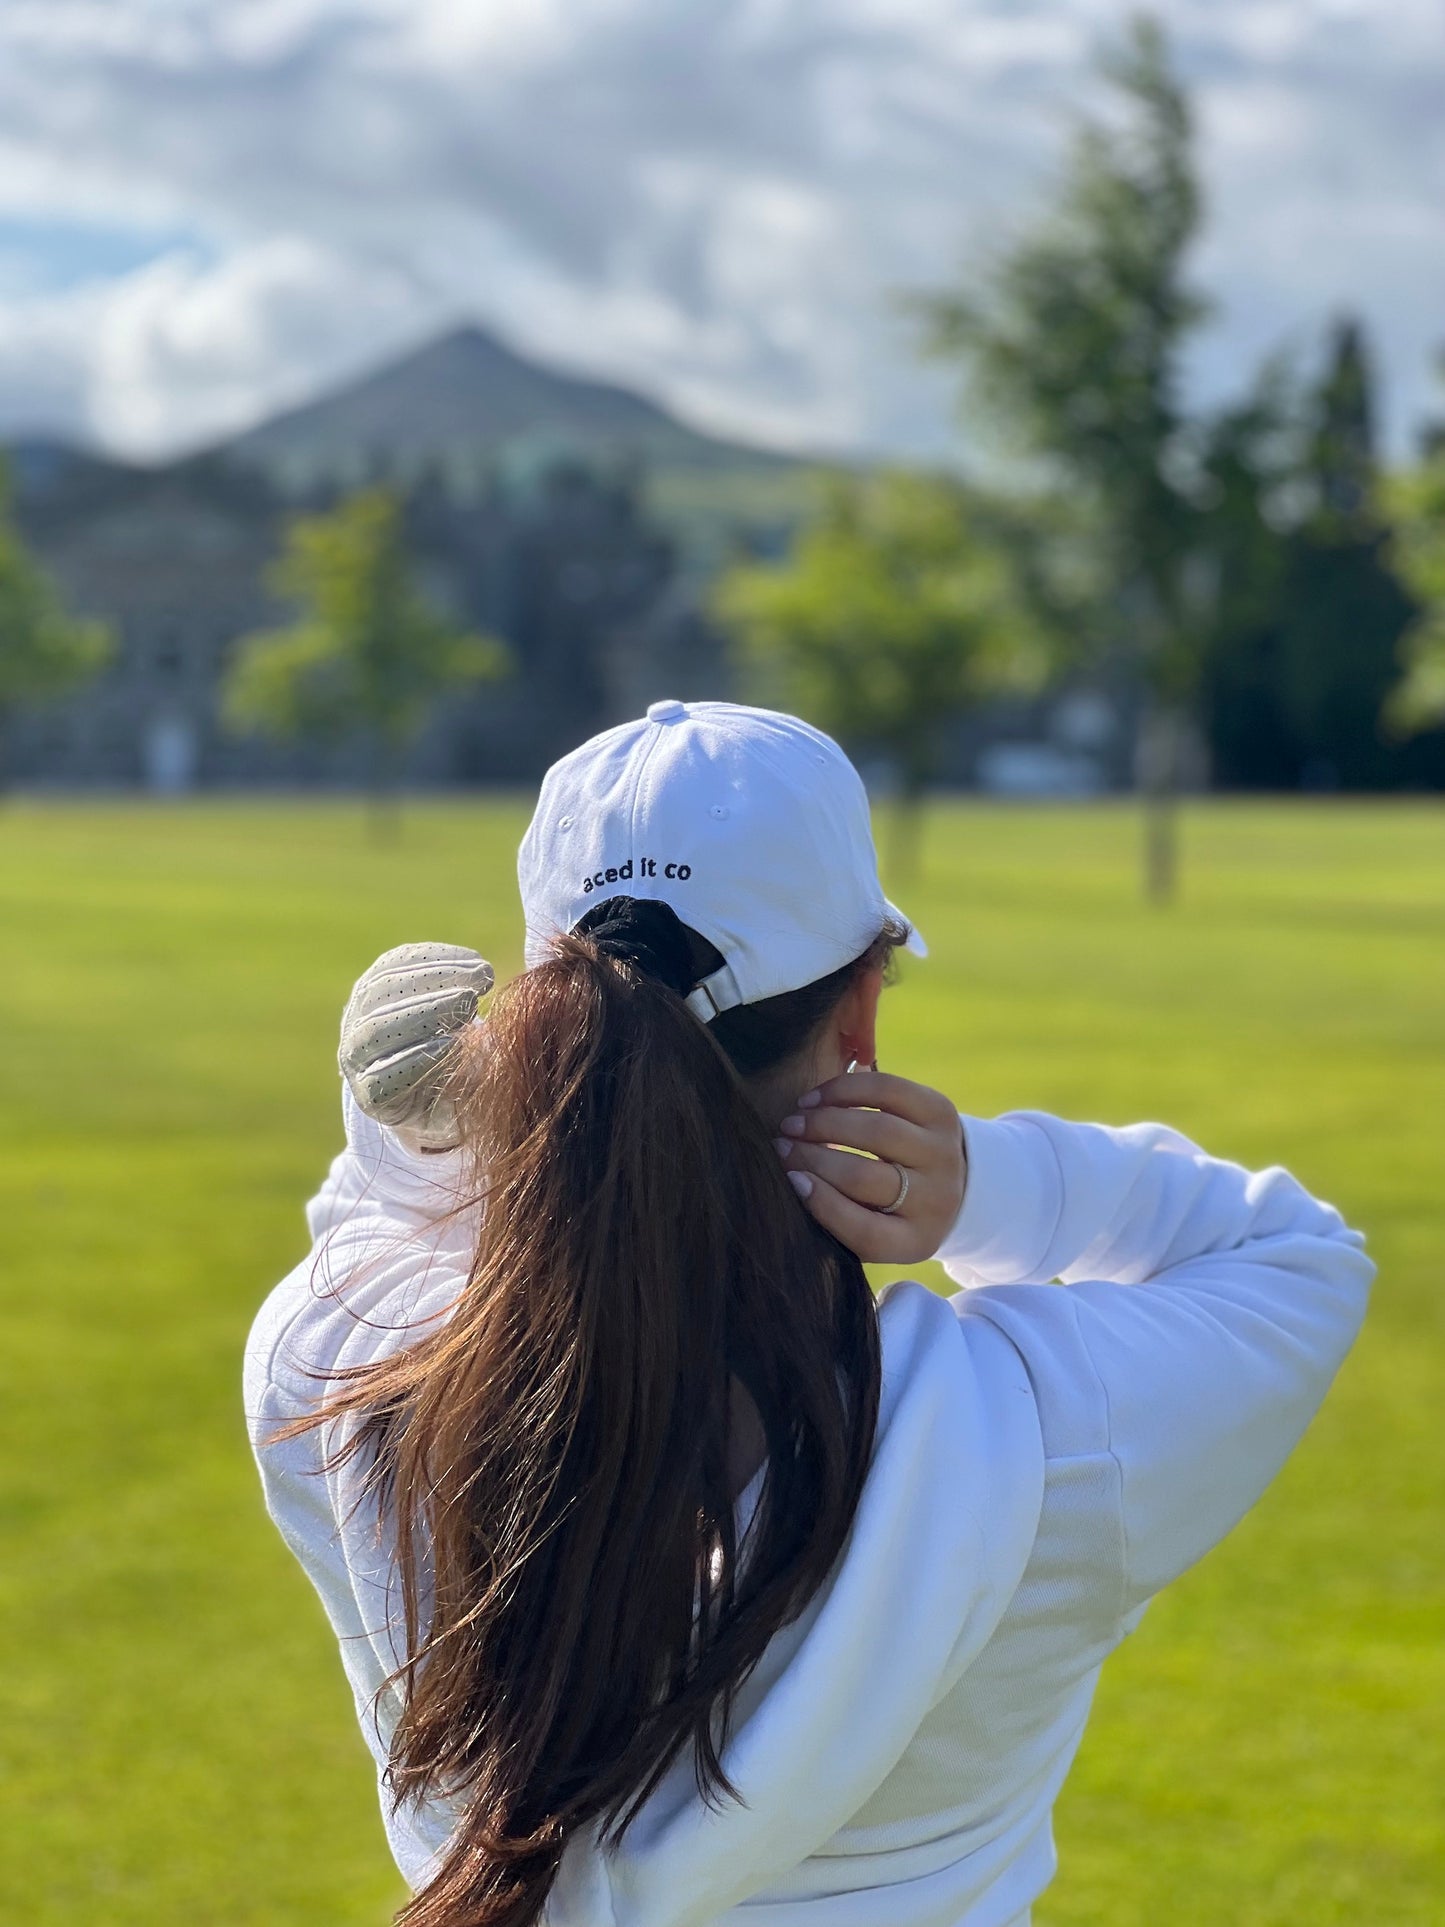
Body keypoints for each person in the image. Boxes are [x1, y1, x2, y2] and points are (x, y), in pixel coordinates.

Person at [244, 699, 1374, 1927]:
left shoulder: (337, 1380)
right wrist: (991, 1186)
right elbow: (1291, 1253)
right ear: (861, 1017)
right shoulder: (1039, 1435)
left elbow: (366, 1237)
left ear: (526, 1035)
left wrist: (426, 1139)